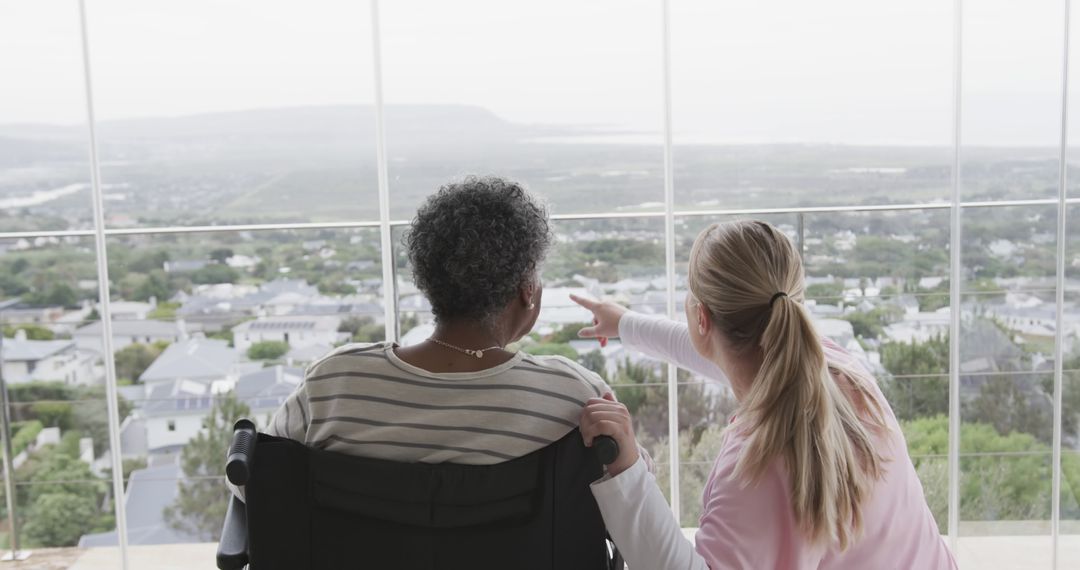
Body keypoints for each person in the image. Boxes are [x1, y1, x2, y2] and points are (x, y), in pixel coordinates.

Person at [573, 220, 956, 569]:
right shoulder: (839, 369)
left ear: (701, 318)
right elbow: (720, 350)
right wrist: (626, 323)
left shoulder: (755, 467)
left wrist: (628, 471)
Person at [256, 176, 614, 470]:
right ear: (526, 289)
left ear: (427, 279)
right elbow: (627, 500)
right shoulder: (577, 396)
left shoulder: (334, 382)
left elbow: (252, 483)